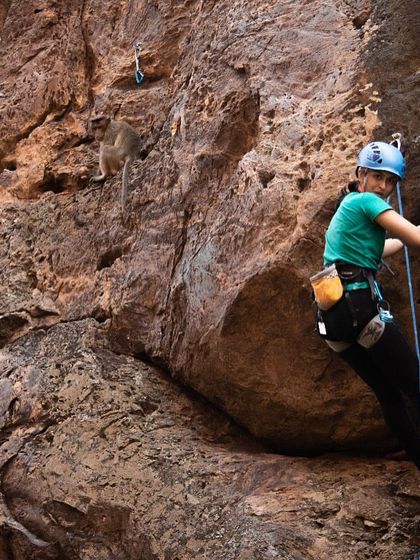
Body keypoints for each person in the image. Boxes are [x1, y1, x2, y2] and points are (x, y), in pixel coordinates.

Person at [316, 140, 420, 468]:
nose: (384, 187)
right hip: (360, 311)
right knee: (416, 385)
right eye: (378, 177)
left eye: (391, 182)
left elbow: (387, 245)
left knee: (389, 394)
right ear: (361, 173)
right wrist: (413, 233)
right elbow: (414, 240)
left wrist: (409, 235)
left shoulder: (351, 205)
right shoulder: (365, 202)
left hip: (333, 322)